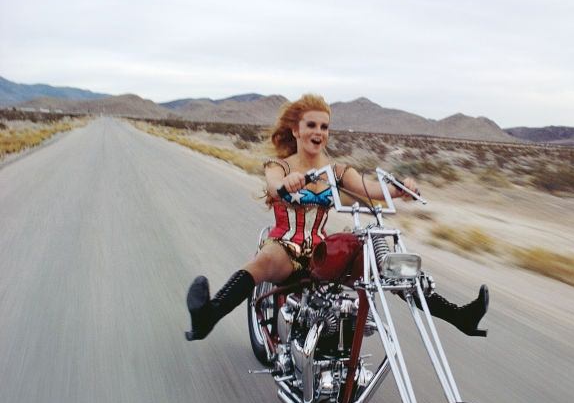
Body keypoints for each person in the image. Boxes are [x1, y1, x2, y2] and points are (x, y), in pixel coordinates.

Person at [185, 93, 488, 341]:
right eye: (311, 125)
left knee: (384, 266)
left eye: (324, 127)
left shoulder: (338, 170)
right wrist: (286, 185)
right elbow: (274, 186)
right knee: (262, 263)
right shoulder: (279, 165)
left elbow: (370, 189)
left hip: (320, 248)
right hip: (285, 246)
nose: (318, 132)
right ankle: (208, 316)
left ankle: (459, 315)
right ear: (296, 130)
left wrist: (398, 189)